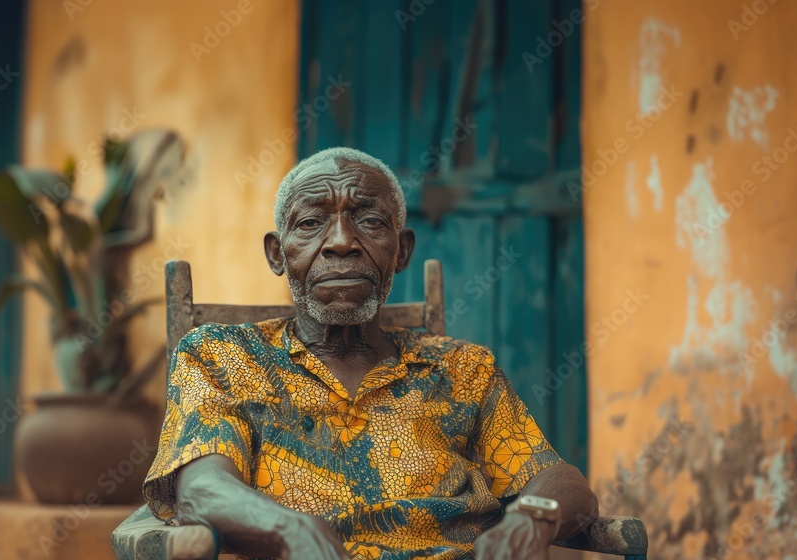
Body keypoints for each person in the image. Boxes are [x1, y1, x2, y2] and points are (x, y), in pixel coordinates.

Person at [142, 147, 598, 559]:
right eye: (310, 222)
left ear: (402, 251)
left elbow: (564, 483)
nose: (341, 240)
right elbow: (201, 489)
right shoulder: (223, 358)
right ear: (278, 254)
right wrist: (289, 529)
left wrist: (530, 518)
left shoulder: (463, 369)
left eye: (371, 221)